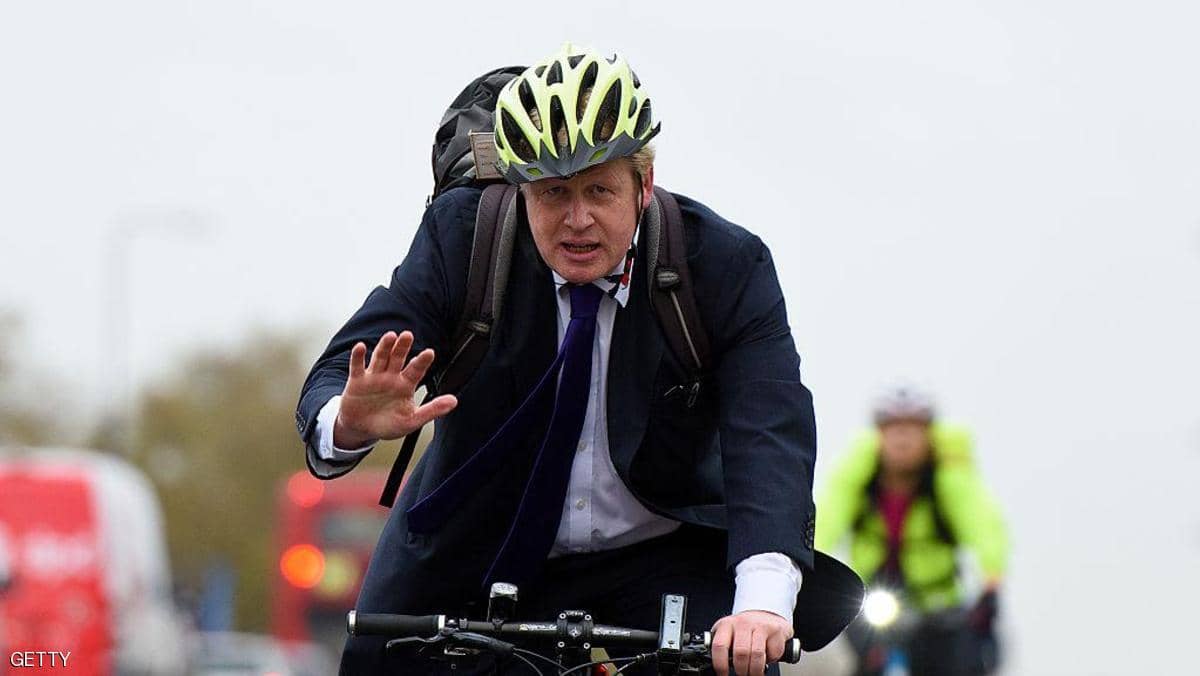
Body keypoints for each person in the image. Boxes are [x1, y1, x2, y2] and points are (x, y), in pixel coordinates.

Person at [296, 43, 858, 675]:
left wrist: (761, 604)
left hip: (662, 552)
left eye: (599, 189)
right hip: (481, 546)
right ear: (521, 192)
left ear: (644, 185)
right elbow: (342, 368)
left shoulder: (725, 265)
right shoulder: (464, 238)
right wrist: (347, 421)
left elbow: (769, 434)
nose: (578, 219)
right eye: (554, 193)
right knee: (375, 661)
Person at [814, 387, 1009, 676]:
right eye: (893, 429)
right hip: (873, 598)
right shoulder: (858, 479)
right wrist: (809, 566)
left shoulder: (948, 479)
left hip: (937, 605)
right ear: (879, 436)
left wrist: (991, 580)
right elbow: (827, 518)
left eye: (913, 429)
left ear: (929, 437)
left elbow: (982, 523)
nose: (902, 439)